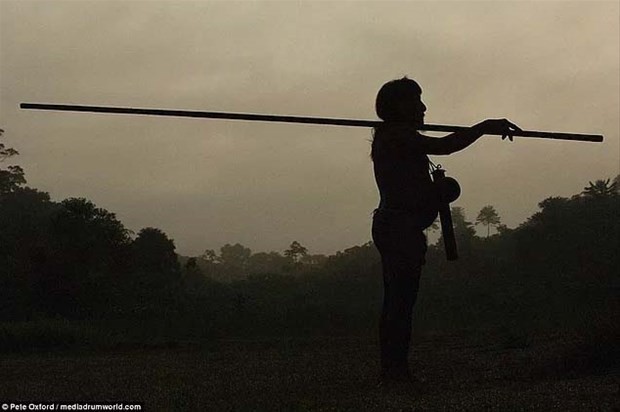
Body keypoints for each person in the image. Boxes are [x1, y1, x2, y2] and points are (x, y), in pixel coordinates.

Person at [371, 77, 520, 383]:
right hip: (399, 230)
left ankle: (394, 370)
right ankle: (395, 372)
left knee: (398, 302)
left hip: (399, 228)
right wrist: (484, 127)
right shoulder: (397, 136)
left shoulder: (398, 136)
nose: (423, 108)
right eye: (416, 101)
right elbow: (443, 146)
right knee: (400, 303)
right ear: (398, 106)